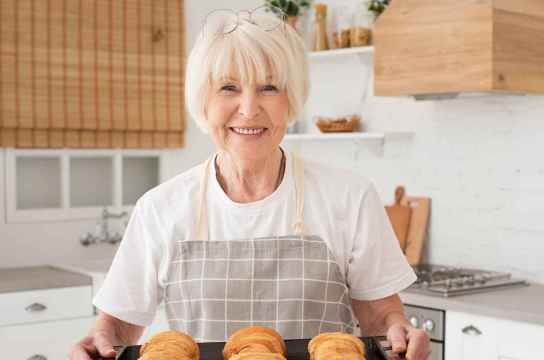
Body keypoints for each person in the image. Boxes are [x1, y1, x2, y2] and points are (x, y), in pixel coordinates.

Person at [69, 5, 430, 360]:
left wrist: (398, 335)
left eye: (269, 87)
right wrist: (98, 339)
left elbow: (381, 317)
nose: (248, 108)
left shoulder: (350, 196)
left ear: (292, 100)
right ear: (203, 101)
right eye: (228, 87)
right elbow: (116, 327)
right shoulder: (161, 207)